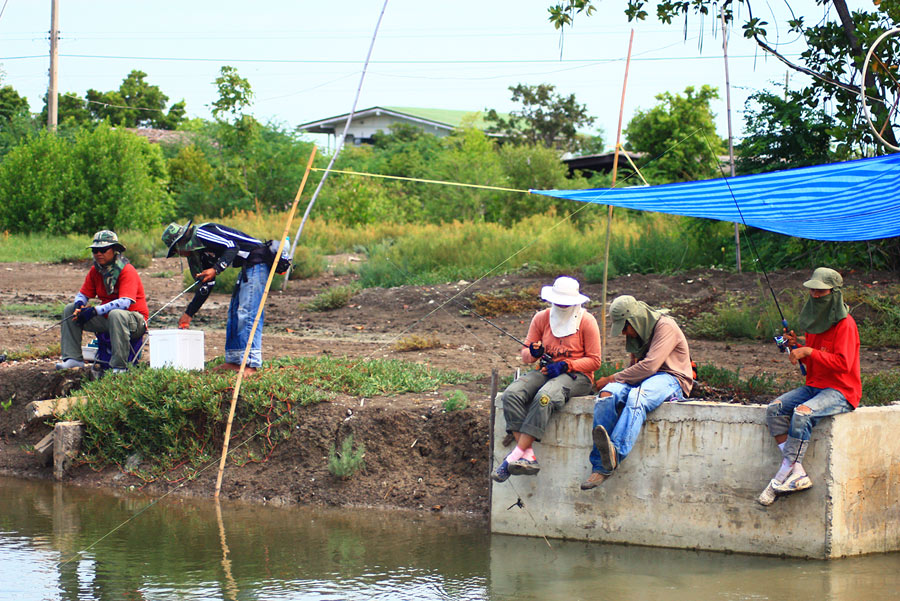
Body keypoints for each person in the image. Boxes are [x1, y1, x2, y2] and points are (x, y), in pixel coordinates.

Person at [757, 267, 860, 506]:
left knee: (802, 413)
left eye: (820, 292)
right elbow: (814, 356)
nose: (814, 295)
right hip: (815, 385)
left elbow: (843, 364)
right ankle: (798, 472)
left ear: (833, 293)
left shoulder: (846, 325)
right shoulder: (813, 323)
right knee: (775, 409)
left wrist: (809, 351)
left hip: (841, 390)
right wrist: (796, 346)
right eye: (812, 290)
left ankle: (781, 476)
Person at [491, 276, 601, 483]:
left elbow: (595, 361)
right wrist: (534, 352)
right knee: (512, 394)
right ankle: (528, 456)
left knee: (545, 397)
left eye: (566, 303)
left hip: (576, 377)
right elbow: (526, 355)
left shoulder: (587, 321)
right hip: (544, 371)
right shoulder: (542, 318)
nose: (561, 306)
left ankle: (513, 458)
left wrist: (567, 365)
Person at [581, 295, 693, 490]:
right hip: (644, 379)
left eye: (625, 328)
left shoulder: (665, 327)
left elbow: (649, 367)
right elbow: (636, 369)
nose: (625, 333)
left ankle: (615, 452)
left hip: (671, 378)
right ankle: (600, 466)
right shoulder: (640, 332)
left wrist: (611, 378)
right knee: (607, 395)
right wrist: (610, 385)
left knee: (636, 397)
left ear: (634, 319)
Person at [162, 220, 273, 374]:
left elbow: (232, 246)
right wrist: (189, 313)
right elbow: (206, 285)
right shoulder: (198, 254)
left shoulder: (202, 232)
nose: (178, 255)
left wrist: (216, 269)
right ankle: (234, 361)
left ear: (181, 243)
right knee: (234, 313)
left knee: (247, 311)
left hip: (258, 259)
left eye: (176, 251)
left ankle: (250, 364)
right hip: (247, 266)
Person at [55, 230, 149, 373]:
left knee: (116, 314)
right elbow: (83, 294)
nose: (99, 254)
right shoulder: (96, 270)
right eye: (95, 250)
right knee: (69, 309)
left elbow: (124, 303)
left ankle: (119, 366)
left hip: (134, 321)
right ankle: (73, 359)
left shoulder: (127, 271)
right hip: (109, 320)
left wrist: (94, 310)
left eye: (103, 250)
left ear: (114, 250)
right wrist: (79, 305)